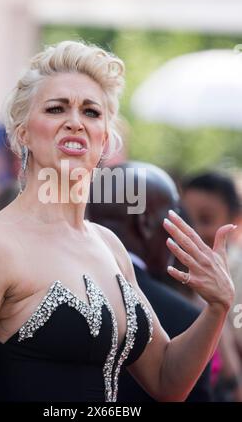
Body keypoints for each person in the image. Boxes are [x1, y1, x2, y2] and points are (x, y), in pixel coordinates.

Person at [0, 41, 236, 402]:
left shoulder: (109, 245)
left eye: (91, 112)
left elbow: (166, 380)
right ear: (23, 132)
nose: (75, 122)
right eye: (56, 108)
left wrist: (217, 307)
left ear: (104, 140)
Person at [88, 161, 212, 401]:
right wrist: (218, 307)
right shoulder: (188, 319)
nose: (179, 234)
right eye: (172, 220)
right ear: (145, 224)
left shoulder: (48, 285)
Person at [181, 171, 242, 401]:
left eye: (206, 220)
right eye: (185, 217)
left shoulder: (237, 271)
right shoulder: (173, 268)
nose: (193, 230)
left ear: (235, 222)